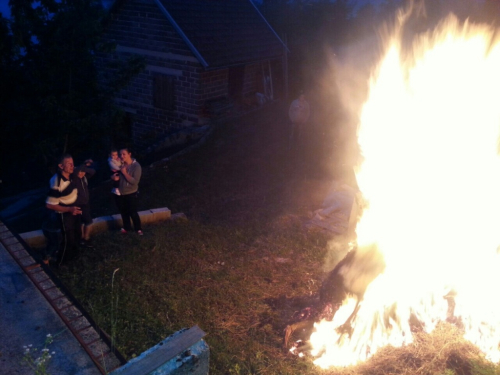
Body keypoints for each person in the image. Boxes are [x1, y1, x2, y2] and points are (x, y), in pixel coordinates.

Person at [45, 154, 82, 264]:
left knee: (77, 235)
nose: (72, 166)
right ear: (61, 166)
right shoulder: (56, 183)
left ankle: (74, 258)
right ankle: (61, 262)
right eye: (69, 164)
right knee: (68, 240)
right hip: (65, 214)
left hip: (75, 209)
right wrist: (69, 210)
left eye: (73, 163)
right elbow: (49, 205)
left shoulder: (72, 175)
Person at [112, 148, 143, 235]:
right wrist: (113, 178)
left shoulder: (136, 166)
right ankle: (127, 227)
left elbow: (134, 181)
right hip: (120, 193)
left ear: (129, 154)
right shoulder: (120, 165)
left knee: (133, 212)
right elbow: (115, 176)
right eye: (120, 154)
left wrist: (125, 173)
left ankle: (138, 229)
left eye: (124, 154)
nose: (121, 156)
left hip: (131, 193)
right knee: (123, 212)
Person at [73, 159, 95, 247]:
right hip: (78, 203)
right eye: (80, 172)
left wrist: (84, 168)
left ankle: (84, 238)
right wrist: (83, 164)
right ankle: (84, 238)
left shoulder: (84, 178)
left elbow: (93, 171)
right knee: (86, 221)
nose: (81, 174)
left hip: (85, 203)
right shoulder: (74, 179)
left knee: (85, 221)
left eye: (84, 172)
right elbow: (75, 171)